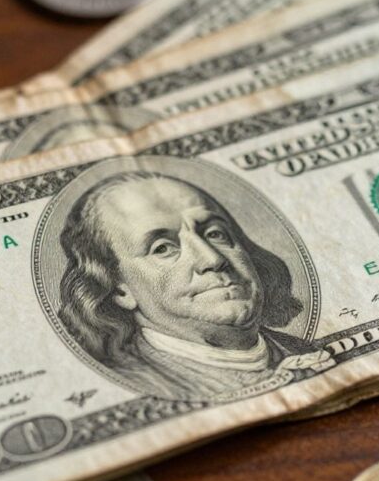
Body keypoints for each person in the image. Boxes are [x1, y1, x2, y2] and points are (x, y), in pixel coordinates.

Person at [58, 171, 312, 400]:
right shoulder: (132, 384)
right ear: (119, 289)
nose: (213, 259)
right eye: (163, 248)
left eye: (215, 233)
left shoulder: (305, 351)